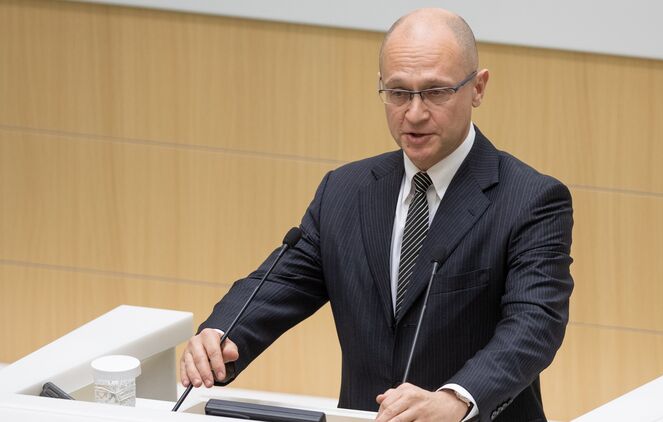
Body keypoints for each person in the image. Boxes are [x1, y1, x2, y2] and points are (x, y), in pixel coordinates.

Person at [180, 8, 573, 422]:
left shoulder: (531, 199)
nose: (414, 113)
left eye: (436, 92)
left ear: (477, 88)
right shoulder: (344, 191)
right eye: (399, 92)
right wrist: (222, 334)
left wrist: (456, 398)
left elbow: (534, 324)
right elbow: (282, 282)